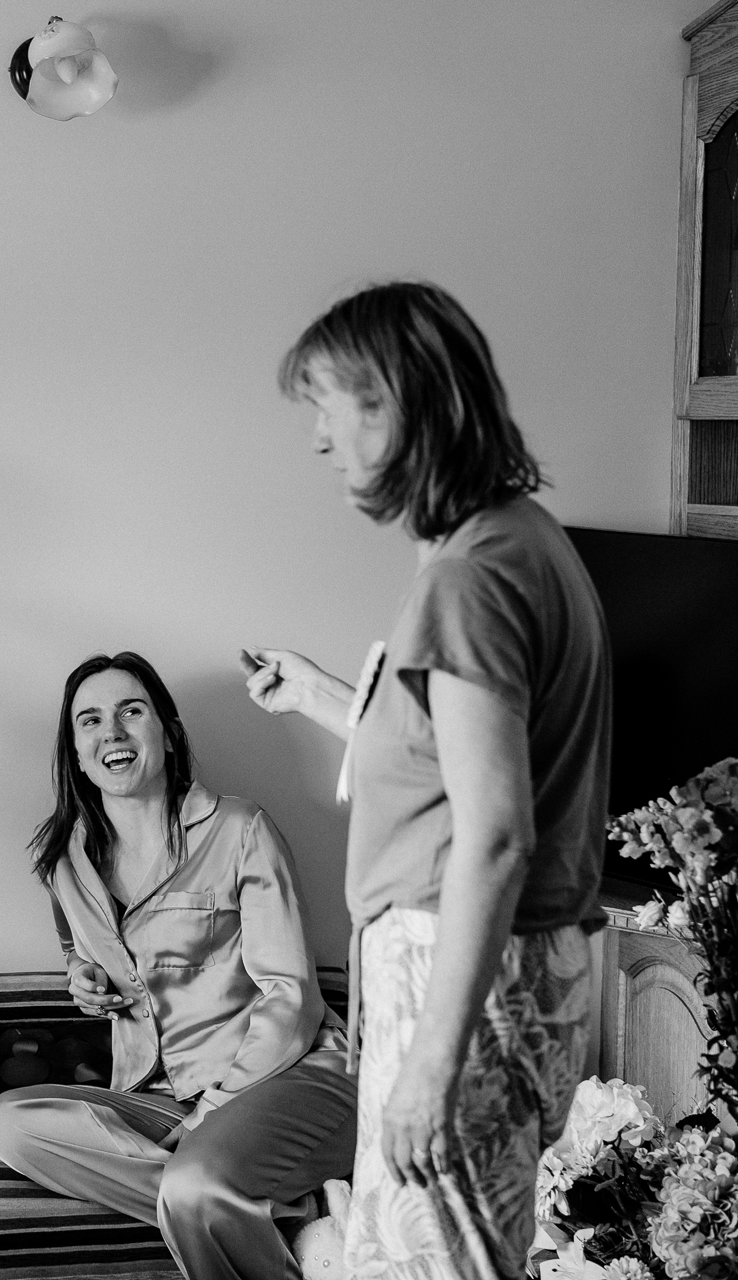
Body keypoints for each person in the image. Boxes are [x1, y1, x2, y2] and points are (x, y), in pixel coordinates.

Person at [244, 281, 609, 1280]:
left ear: (395, 402)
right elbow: (444, 770)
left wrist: (430, 1066)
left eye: (327, 402)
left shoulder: (469, 578)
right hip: (498, 967)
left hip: (463, 972)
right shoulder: (518, 540)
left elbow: (493, 835)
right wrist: (323, 696)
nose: (320, 437)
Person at [0, 651, 355, 1280]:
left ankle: (215, 1184)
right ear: (76, 752)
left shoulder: (240, 829)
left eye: (132, 711)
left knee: (195, 1183)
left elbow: (291, 1001)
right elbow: (78, 949)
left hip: (286, 1079)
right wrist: (82, 979)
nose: (113, 733)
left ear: (168, 732)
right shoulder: (65, 862)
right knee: (10, 1126)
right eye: (90, 721)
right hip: (159, 1098)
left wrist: (217, 1110)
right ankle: (269, 1203)